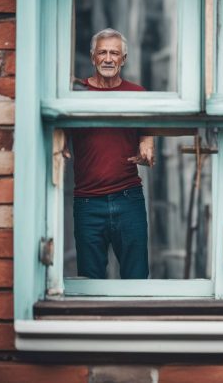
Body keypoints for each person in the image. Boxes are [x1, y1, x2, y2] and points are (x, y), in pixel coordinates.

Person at [68, 28, 154, 279]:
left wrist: (147, 140)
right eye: (102, 52)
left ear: (124, 59)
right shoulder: (76, 94)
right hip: (87, 201)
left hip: (129, 197)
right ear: (93, 57)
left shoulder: (137, 94)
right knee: (89, 281)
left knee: (136, 279)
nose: (108, 59)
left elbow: (150, 124)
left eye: (114, 53)